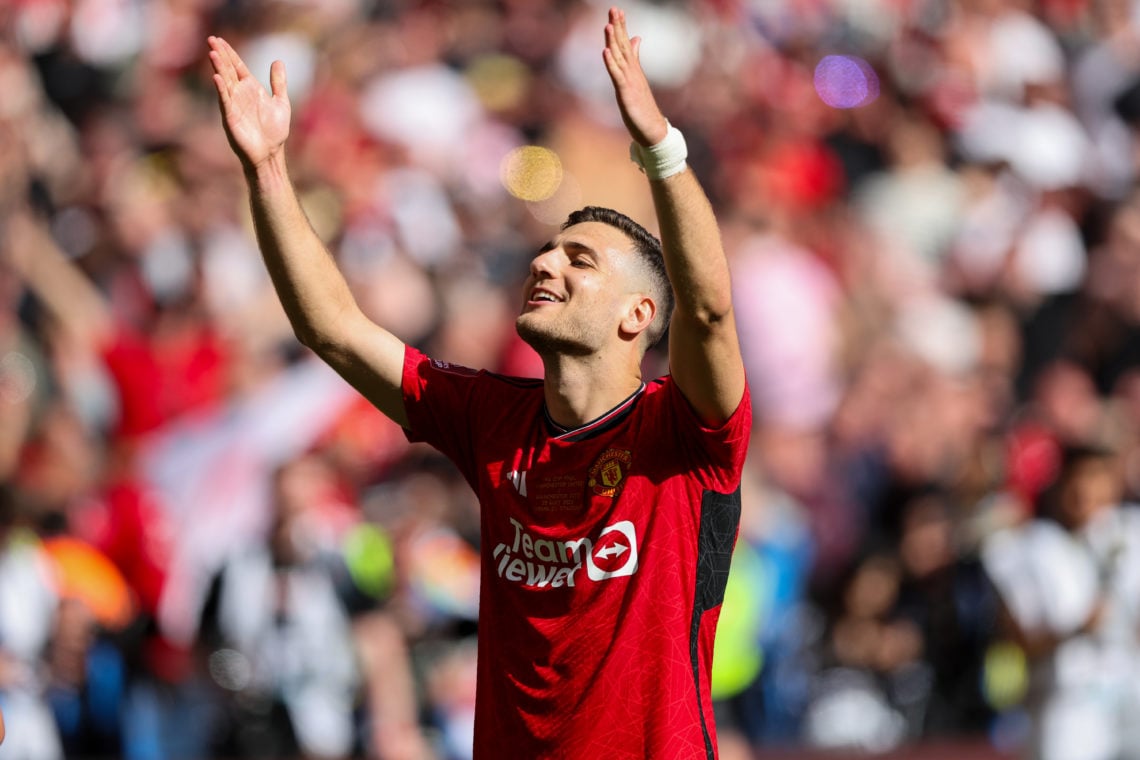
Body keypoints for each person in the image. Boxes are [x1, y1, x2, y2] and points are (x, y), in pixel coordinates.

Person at [208, 6, 751, 758]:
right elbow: (331, 327)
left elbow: (712, 311)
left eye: (580, 260)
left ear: (640, 314)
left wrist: (659, 147)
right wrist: (266, 169)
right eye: (547, 252)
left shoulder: (683, 432)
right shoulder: (490, 419)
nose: (545, 264)